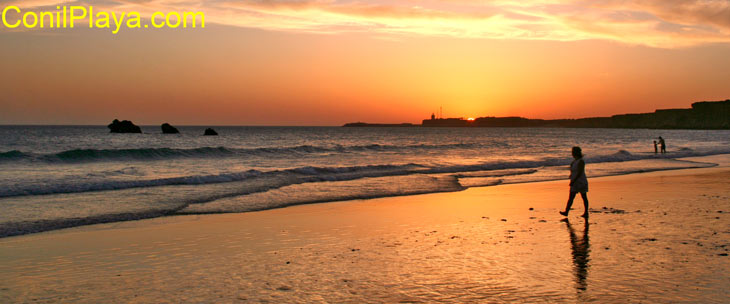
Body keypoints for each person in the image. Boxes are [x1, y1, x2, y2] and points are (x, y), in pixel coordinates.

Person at [560, 146, 589, 218]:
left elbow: (580, 172)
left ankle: (586, 212)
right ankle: (566, 211)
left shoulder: (581, 161)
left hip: (580, 181)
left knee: (584, 197)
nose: (572, 153)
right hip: (574, 181)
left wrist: (574, 180)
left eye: (572, 152)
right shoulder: (574, 161)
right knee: (571, 197)